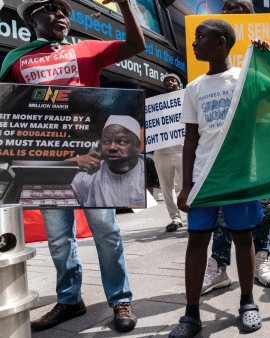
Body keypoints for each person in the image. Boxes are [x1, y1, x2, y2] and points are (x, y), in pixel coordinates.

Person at [0, 0, 145, 332]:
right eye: (49, 8)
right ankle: (69, 300)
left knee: (106, 231)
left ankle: (120, 299)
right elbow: (5, 101)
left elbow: (137, 45)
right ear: (31, 19)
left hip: (91, 158)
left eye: (64, 9)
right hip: (44, 160)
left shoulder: (88, 50)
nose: (60, 14)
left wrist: (124, 4)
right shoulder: (17, 59)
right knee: (59, 237)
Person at [171, 19, 270, 336]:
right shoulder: (194, 88)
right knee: (196, 241)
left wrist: (267, 60)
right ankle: (190, 315)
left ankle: (247, 303)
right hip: (204, 180)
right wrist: (186, 186)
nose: (194, 42)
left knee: (243, 238)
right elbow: (191, 140)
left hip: (239, 178)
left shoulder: (245, 79)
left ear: (221, 43)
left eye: (201, 37)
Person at [201, 0, 270, 297]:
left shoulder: (256, 57)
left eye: (236, 5)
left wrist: (268, 58)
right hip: (224, 154)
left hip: (259, 147)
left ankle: (261, 261)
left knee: (265, 206)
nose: (229, 8)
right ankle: (219, 266)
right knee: (224, 211)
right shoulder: (211, 51)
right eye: (226, 5)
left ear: (249, 11)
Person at [71, 116, 145, 207]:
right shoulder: (87, 177)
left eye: (121, 142)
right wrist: (68, 164)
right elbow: (55, 199)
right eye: (106, 141)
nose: (112, 147)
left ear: (137, 146)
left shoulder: (150, 170)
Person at [154, 73, 185, 232]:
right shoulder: (156, 105)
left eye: (173, 80)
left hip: (182, 150)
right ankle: (175, 218)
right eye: (166, 81)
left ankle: (194, 215)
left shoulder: (186, 99)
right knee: (167, 188)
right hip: (161, 152)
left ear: (179, 84)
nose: (170, 82)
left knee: (189, 185)